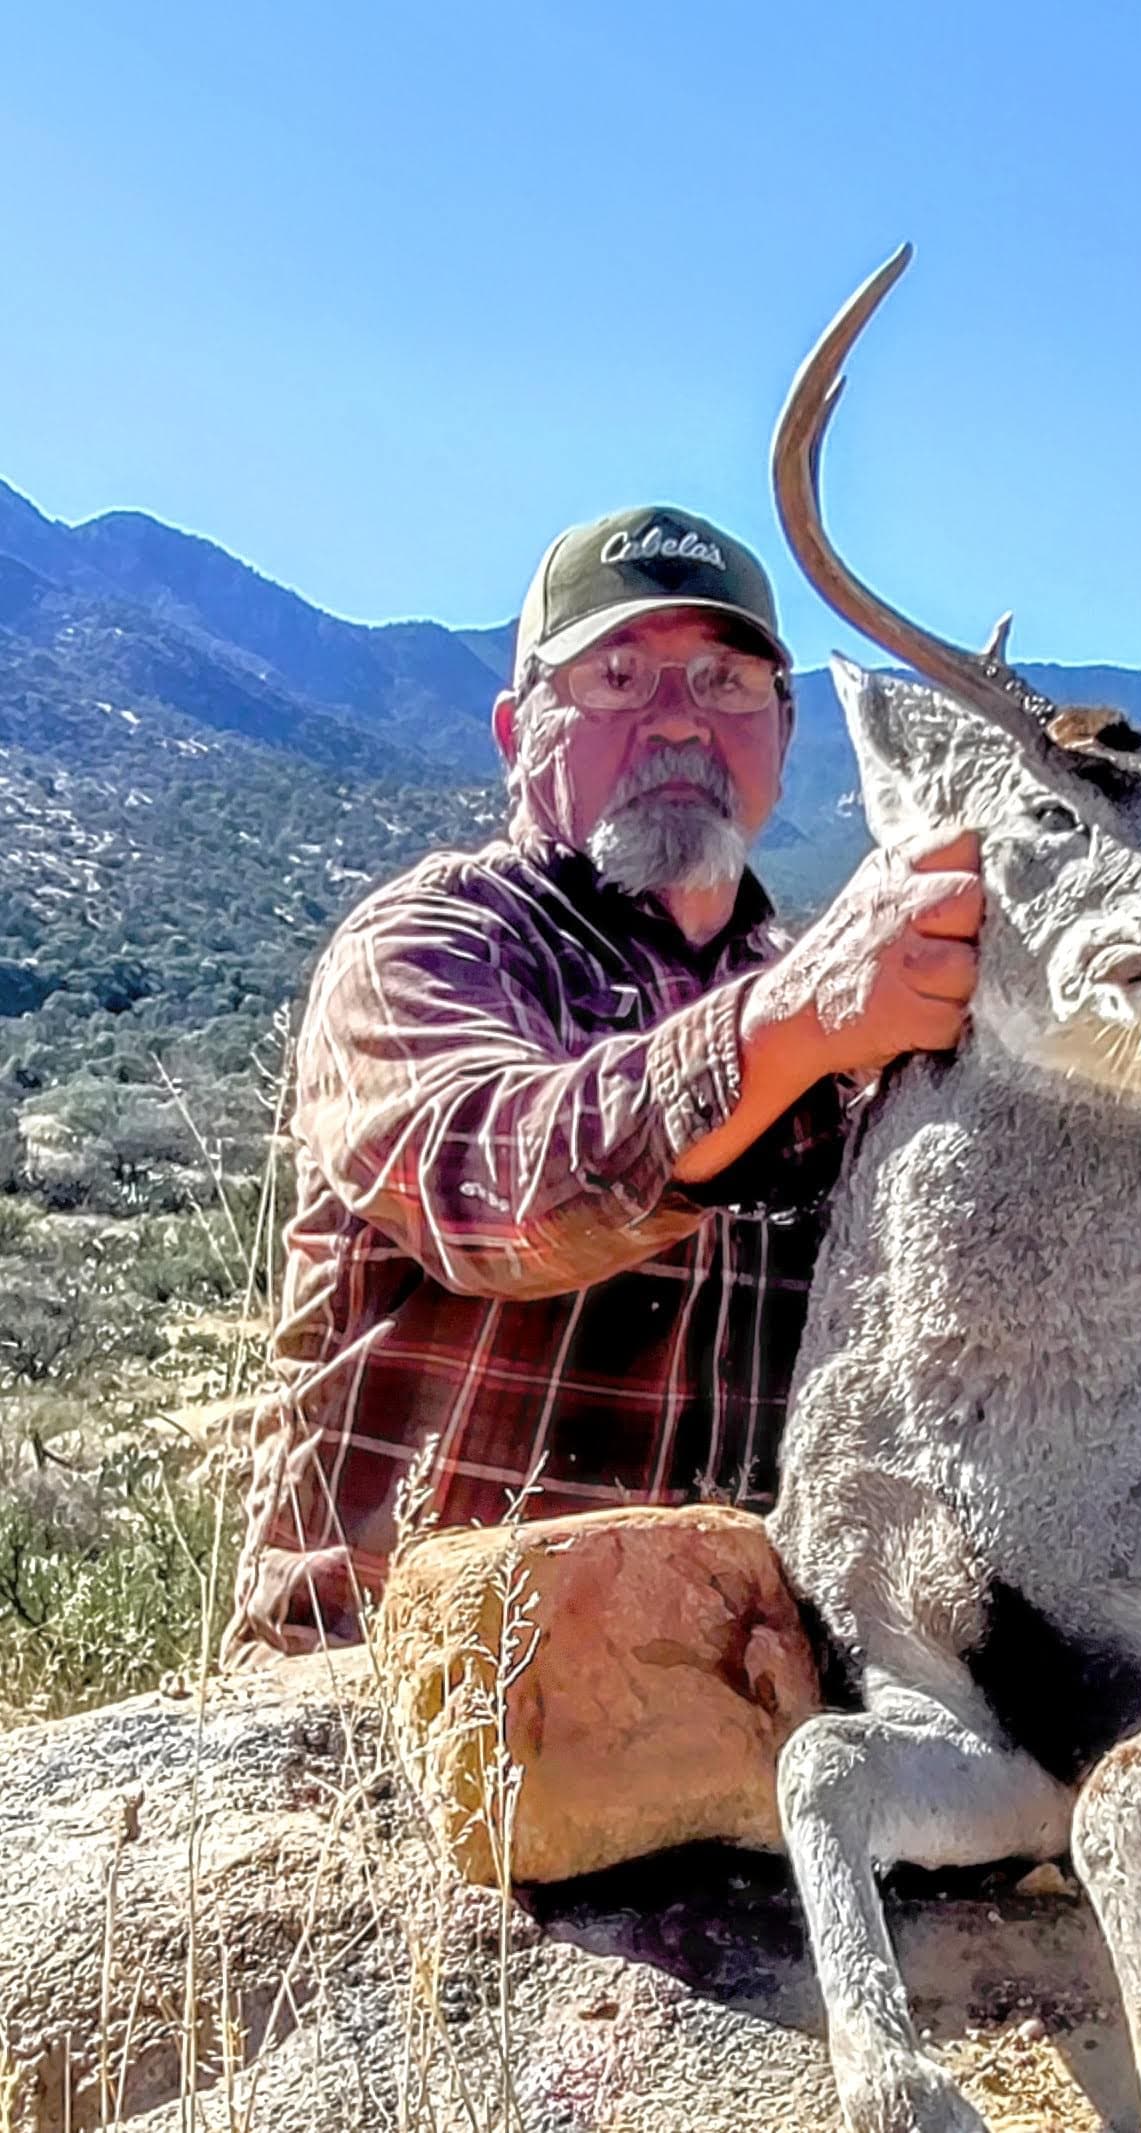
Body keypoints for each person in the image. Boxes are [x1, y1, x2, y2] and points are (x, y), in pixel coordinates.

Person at [226, 506, 981, 1654]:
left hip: (734, 1700)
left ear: (782, 731)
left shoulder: (844, 1000)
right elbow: (495, 1197)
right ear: (514, 729)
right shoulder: (428, 945)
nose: (678, 721)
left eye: (725, 682)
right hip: (396, 1686)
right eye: (619, 677)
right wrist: (800, 1024)